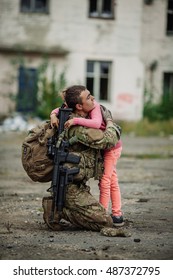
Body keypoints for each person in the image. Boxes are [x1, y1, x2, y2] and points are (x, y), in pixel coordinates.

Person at [42, 85, 120, 233]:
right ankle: (58, 210)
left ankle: (61, 208)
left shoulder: (75, 118)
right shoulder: (77, 126)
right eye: (89, 97)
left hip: (76, 184)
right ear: (79, 106)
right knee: (105, 221)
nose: (93, 99)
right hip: (69, 189)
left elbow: (57, 110)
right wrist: (110, 122)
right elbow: (109, 140)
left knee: (98, 214)